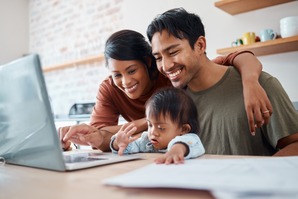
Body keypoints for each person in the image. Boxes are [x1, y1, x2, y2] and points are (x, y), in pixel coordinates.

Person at [60, 29, 271, 152]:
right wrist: (147, 124)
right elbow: (100, 136)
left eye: (132, 70)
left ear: (148, 63)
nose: (125, 81)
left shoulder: (172, 74)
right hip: (146, 154)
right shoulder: (109, 87)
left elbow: (236, 56)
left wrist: (251, 82)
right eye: (117, 74)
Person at [146, 7, 298, 156]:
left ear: (200, 45)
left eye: (173, 52)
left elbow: (294, 145)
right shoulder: (175, 102)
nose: (165, 66)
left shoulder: (261, 85)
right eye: (158, 58)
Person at [110, 87, 205, 164]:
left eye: (161, 128)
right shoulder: (147, 141)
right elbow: (129, 148)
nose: (153, 132)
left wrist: (177, 150)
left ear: (183, 129)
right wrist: (118, 143)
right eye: (150, 125)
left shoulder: (190, 139)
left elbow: (187, 144)